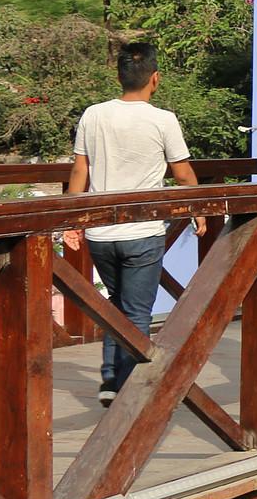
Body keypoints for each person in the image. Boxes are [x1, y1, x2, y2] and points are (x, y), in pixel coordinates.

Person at [64, 41, 201, 406]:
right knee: (137, 311)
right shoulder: (162, 120)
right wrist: (197, 208)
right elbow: (183, 173)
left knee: (116, 302)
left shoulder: (93, 115)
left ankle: (110, 378)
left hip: (100, 233)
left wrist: (72, 220)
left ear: (119, 76)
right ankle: (128, 386)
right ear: (155, 79)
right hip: (143, 232)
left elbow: (81, 169)